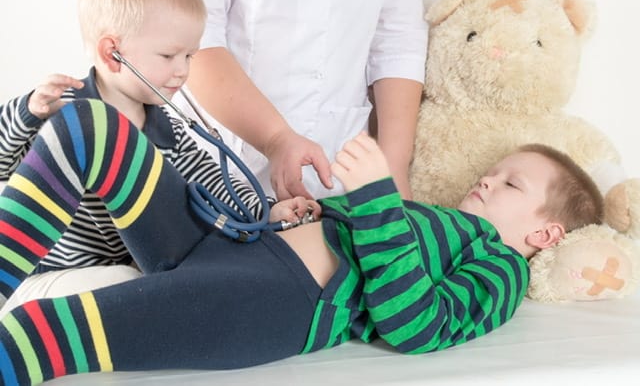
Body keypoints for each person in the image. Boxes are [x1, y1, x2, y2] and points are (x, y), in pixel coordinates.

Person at [0, 96, 603, 384]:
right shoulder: (431, 218)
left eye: (510, 182)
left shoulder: (501, 267)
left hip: (273, 297)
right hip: (232, 237)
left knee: (45, 331)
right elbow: (356, 233)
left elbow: (418, 325)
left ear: (544, 232)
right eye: (493, 170)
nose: (486, 179)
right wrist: (297, 213)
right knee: (91, 125)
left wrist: (375, 202)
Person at [0, 0, 319, 314]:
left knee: (145, 283)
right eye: (169, 55)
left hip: (120, 270)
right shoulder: (63, 113)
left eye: (189, 56)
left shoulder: (169, 128)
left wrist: (266, 209)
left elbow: (215, 181)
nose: (182, 70)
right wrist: (27, 112)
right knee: (127, 284)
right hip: (51, 274)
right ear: (113, 53)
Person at [168, 0, 428, 200]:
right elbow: (195, 41)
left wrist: (392, 168)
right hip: (219, 161)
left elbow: (398, 44)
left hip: (335, 169)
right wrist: (276, 138)